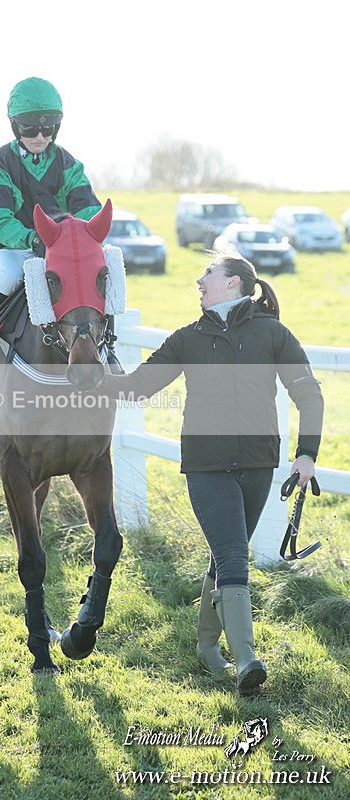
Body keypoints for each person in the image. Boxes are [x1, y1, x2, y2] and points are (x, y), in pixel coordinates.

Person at [95, 253, 324, 695]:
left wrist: (307, 454)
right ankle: (246, 661)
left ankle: (206, 646)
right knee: (235, 556)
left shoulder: (272, 334)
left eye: (208, 274)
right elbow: (138, 387)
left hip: (258, 464)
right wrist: (95, 377)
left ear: (233, 282)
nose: (199, 281)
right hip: (206, 465)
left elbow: (308, 393)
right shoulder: (188, 338)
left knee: (224, 556)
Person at [0, 75, 102, 368]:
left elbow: (89, 208)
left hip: (58, 247)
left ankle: (105, 346)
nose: (40, 137)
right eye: (30, 128)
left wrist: (73, 237)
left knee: (103, 268)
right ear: (15, 126)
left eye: (48, 128)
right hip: (12, 248)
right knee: (8, 276)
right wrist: (33, 238)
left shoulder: (69, 164)